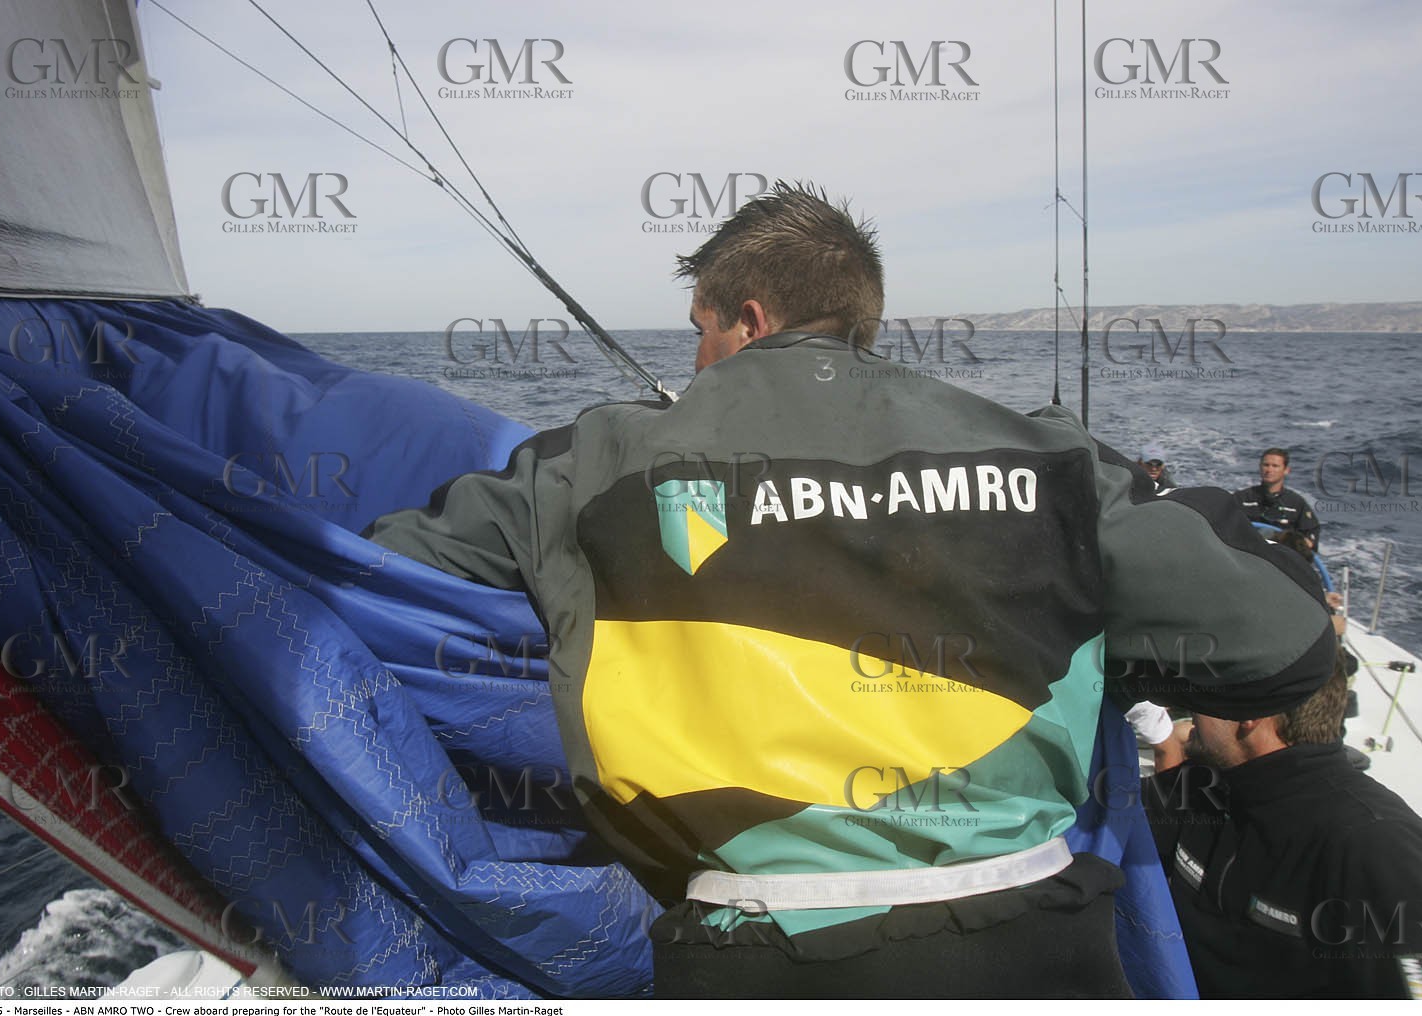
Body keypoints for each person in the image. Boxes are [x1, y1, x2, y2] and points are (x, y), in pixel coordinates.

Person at [364, 182, 1336, 998]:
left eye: (698, 333)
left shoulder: (583, 468)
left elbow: (377, 570)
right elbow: (1286, 641)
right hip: (1042, 955)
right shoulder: (1047, 459)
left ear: (747, 319)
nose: (693, 364)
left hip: (746, 963)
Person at [1145, 647, 1422, 998]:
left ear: (1248, 711)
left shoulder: (1379, 844)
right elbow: (1106, 820)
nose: (1191, 709)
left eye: (1200, 691)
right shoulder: (1206, 784)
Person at [1234, 447, 1320, 548]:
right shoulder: (1241, 498)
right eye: (1266, 465)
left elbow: (1310, 538)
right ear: (1260, 467)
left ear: (1286, 470)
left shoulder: (1296, 503)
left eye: (1275, 466)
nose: (1269, 470)